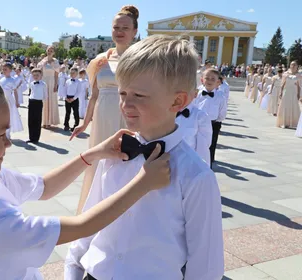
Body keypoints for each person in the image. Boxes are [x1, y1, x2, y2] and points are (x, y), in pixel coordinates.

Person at [0, 26, 172, 280]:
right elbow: (83, 226)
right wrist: (143, 183)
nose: (8, 144)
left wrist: (93, 154)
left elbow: (44, 187)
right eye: (2, 135)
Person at [65, 35, 224, 280]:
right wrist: (73, 271)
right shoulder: (115, 154)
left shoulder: (197, 176)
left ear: (178, 100)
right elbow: (88, 224)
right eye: (123, 93)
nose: (126, 105)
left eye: (139, 96)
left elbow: (206, 266)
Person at [71, 5, 139, 213]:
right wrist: (84, 123)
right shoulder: (100, 61)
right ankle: (95, 211)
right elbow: (94, 96)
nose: (119, 31)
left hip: (128, 117)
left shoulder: (141, 60)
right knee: (100, 163)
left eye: (125, 28)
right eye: (116, 27)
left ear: (134, 32)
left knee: (126, 163)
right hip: (102, 118)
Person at [194, 68, 228, 168]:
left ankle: (208, 166)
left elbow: (222, 111)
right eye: (207, 78)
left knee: (211, 144)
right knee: (196, 142)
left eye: (213, 79)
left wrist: (218, 121)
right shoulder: (197, 93)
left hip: (213, 123)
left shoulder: (220, 96)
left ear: (218, 82)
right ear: (202, 80)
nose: (209, 81)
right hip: (197, 122)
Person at [176, 89, 212, 165]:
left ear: (195, 93)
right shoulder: (165, 113)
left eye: (186, 93)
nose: (181, 96)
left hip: (188, 164)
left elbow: (203, 147)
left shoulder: (200, 117)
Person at [0, 62, 23, 139]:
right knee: (2, 116)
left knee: (9, 116)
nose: (4, 71)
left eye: (6, 69)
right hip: (2, 99)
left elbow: (15, 91)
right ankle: (2, 132)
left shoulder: (12, 80)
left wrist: (17, 101)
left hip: (9, 99)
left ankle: (7, 133)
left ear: (10, 70)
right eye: (3, 69)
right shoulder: (2, 79)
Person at [37, 46, 60, 128]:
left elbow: (57, 75)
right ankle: (44, 121)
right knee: (44, 101)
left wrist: (56, 85)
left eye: (51, 51)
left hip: (52, 81)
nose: (49, 52)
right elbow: (38, 71)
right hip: (44, 81)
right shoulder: (43, 61)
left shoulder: (56, 61)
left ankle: (50, 121)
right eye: (48, 50)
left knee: (51, 101)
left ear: (54, 52)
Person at [277, 61, 301, 128]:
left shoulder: (299, 75)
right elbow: (282, 84)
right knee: (285, 106)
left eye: (294, 65)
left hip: (294, 92)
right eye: (291, 65)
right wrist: (280, 92)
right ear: (290, 66)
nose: (293, 66)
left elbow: (299, 86)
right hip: (286, 92)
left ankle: (293, 123)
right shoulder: (285, 74)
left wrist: (299, 95)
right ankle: (284, 122)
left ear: (297, 66)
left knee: (294, 107)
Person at [27, 68, 47, 143]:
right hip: (31, 101)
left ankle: (36, 138)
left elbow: (45, 95)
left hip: (38, 102)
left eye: (37, 75)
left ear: (41, 76)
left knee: (37, 120)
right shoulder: (31, 83)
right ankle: (31, 137)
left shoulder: (43, 84)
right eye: (34, 75)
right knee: (31, 120)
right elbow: (31, 92)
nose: (35, 77)